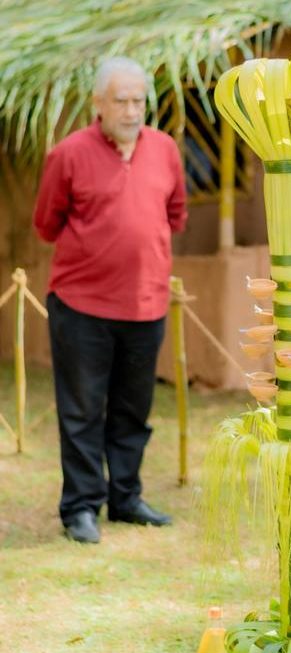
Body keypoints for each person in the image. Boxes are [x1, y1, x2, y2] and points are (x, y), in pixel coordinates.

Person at [33, 57, 188, 544]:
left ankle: (126, 498)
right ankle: (80, 507)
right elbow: (46, 224)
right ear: (98, 103)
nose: (131, 110)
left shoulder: (164, 149)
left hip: (146, 304)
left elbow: (176, 214)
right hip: (81, 306)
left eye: (139, 100)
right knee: (82, 411)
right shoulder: (68, 154)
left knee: (132, 410)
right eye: (120, 101)